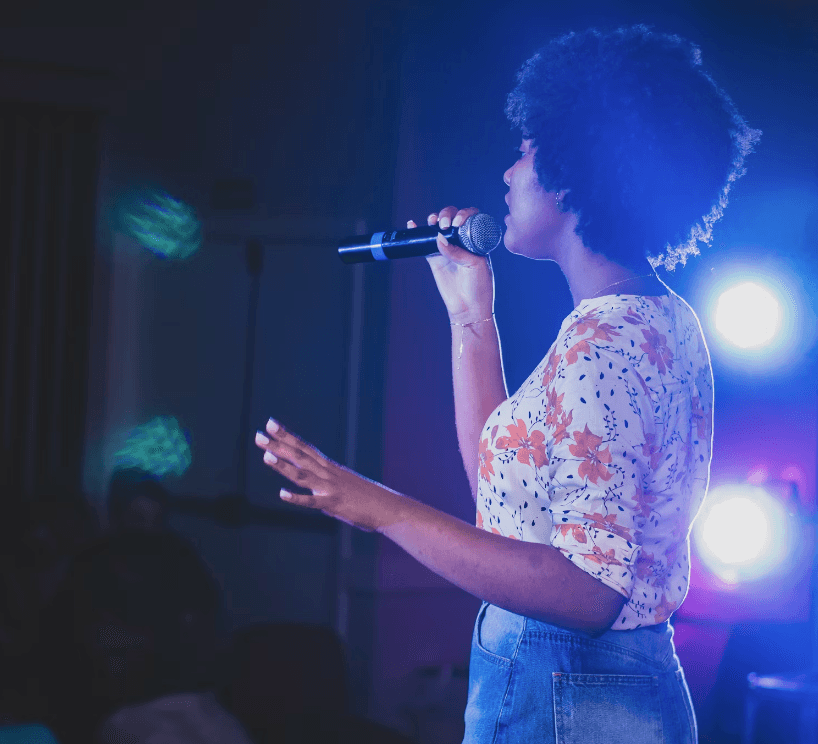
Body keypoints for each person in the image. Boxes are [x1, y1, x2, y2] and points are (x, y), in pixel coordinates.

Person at [253, 25, 760, 743]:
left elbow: (587, 593)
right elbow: (504, 508)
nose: (508, 174)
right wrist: (471, 316)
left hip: (568, 694)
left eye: (524, 151)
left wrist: (381, 510)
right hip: (595, 689)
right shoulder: (654, 319)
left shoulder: (603, 345)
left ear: (572, 169)